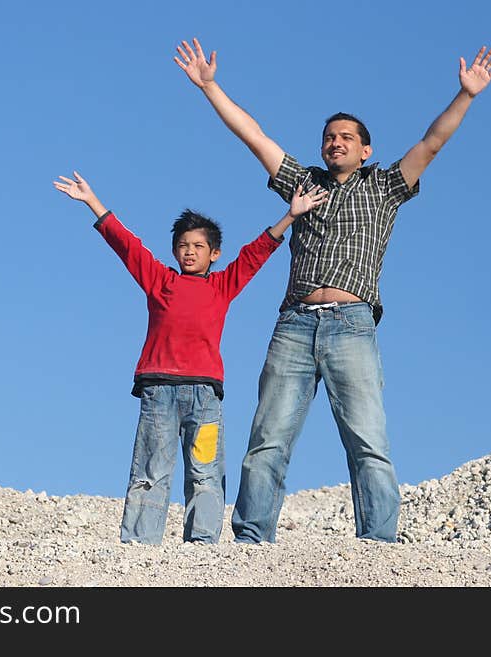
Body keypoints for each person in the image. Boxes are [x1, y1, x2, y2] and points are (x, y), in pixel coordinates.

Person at [175, 37, 491, 544]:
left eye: (347, 137)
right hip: (295, 324)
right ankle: (251, 540)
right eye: (329, 136)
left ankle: (378, 545)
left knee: (367, 440)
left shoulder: (385, 187)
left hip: (352, 324)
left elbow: (431, 143)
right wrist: (210, 87)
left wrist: (466, 96)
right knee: (267, 439)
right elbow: (254, 137)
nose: (336, 142)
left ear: (365, 149)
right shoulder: (303, 183)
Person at [53, 170, 328, 544]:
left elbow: (256, 254)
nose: (189, 251)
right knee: (150, 471)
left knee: (205, 473)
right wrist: (93, 202)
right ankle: (139, 544)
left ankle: (201, 546)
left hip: (205, 398)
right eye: (183, 244)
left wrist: (291, 215)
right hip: (158, 395)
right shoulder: (159, 281)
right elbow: (127, 245)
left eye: (198, 246)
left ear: (214, 253)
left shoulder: (221, 286)